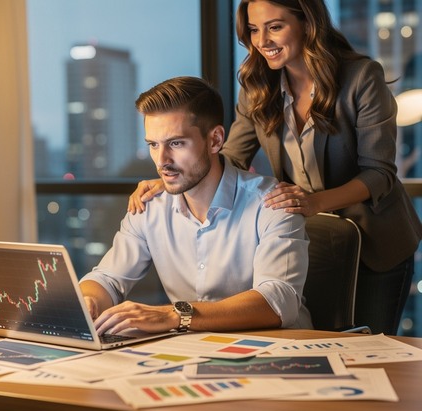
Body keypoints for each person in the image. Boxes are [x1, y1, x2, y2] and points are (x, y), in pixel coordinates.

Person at [127, 0, 422, 335]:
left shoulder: (360, 78)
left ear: (308, 24)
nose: (262, 40)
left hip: (376, 242)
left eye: (275, 26)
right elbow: (231, 157)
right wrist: (171, 178)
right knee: (319, 343)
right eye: (254, 29)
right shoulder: (257, 86)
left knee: (371, 350)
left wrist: (314, 202)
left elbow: (379, 173)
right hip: (310, 238)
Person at [79, 76, 312, 336]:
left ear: (214, 140)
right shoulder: (150, 206)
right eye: (153, 145)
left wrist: (173, 314)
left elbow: (278, 301)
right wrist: (89, 302)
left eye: (176, 143)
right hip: (192, 355)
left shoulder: (273, 203)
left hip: (278, 354)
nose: (161, 160)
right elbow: (107, 279)